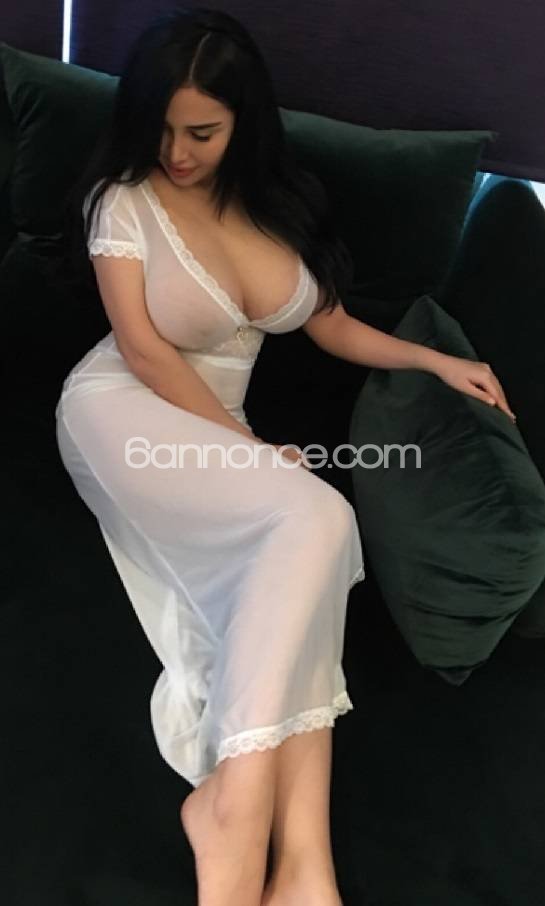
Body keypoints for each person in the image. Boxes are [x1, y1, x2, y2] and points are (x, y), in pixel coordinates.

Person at [55, 7, 516, 906]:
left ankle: (303, 864)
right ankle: (242, 817)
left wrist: (433, 360)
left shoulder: (278, 208)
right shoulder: (124, 199)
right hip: (122, 411)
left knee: (307, 548)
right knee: (317, 516)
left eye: (201, 132)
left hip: (219, 437)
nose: (177, 152)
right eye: (161, 128)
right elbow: (145, 352)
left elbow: (331, 326)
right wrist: (254, 451)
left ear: (243, 121)